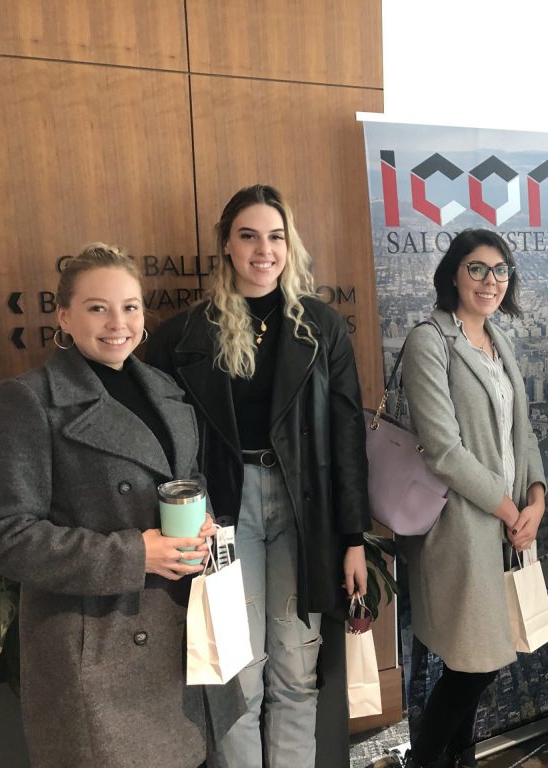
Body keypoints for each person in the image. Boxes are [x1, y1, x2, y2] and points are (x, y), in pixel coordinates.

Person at [0, 244, 236, 767]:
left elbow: (186, 479)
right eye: (98, 308)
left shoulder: (164, 389)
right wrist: (134, 555)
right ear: (64, 317)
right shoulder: (28, 400)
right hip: (97, 651)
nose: (118, 323)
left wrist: (201, 519)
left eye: (130, 307)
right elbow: (1, 534)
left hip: (182, 636)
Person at [146, 184, 370, 768]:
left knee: (297, 668)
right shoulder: (184, 335)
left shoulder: (321, 327)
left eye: (275, 236)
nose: (263, 250)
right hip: (223, 509)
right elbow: (149, 435)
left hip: (304, 509)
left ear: (289, 245)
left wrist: (353, 538)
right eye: (248, 236)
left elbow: (347, 435)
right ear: (227, 243)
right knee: (237, 675)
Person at [399, 228, 547, 768]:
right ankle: (427, 759)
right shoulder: (429, 339)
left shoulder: (497, 338)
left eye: (500, 270)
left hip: (508, 523)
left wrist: (536, 498)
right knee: (475, 661)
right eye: (477, 268)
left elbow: (521, 431)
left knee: (477, 654)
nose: (490, 280)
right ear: (454, 274)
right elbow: (442, 449)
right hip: (462, 526)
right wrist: (510, 509)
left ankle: (459, 756)